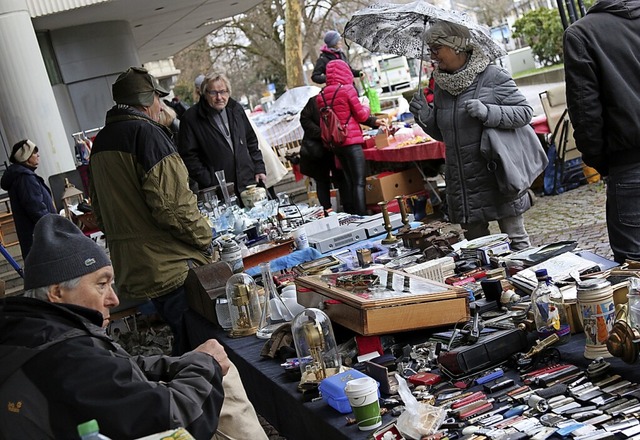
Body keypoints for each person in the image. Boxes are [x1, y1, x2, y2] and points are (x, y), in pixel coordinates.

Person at [0, 214, 267, 440]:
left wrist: (189, 362)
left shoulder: (32, 333)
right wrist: (206, 365)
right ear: (57, 292)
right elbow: (169, 422)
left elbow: (121, 367)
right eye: (101, 284)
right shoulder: (66, 358)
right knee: (223, 377)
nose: (113, 299)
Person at [89, 66, 212, 354]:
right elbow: (174, 207)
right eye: (158, 98)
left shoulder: (101, 143)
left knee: (179, 355)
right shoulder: (147, 135)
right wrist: (206, 239)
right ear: (146, 100)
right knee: (200, 354)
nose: (161, 105)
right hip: (169, 267)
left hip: (136, 269)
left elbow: (100, 212)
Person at [409, 21, 533, 250]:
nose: (433, 56)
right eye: (430, 50)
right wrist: (424, 117)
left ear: (455, 46)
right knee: (477, 250)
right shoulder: (441, 85)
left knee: (517, 243)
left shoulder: (493, 76)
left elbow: (524, 113)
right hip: (463, 182)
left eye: (436, 49)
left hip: (496, 175)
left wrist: (488, 112)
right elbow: (446, 134)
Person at [563, 0, 640, 263]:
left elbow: (585, 113)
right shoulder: (582, 34)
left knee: (635, 274)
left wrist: (601, 162)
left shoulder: (582, 33)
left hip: (629, 165)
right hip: (628, 163)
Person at [178, 72, 267, 201]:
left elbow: (251, 140)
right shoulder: (191, 118)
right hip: (219, 191)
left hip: (248, 183)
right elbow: (188, 157)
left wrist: (259, 168)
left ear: (228, 92)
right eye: (213, 93)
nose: (219, 97)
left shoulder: (236, 109)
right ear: (204, 94)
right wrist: (210, 180)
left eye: (223, 92)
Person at [317, 59, 385, 215]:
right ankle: (362, 215)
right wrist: (366, 105)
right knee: (359, 182)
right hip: (352, 142)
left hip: (336, 143)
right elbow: (361, 115)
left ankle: (354, 214)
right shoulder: (347, 90)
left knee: (349, 180)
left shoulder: (321, 95)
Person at [0, 139, 56, 257]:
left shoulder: (22, 176)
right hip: (41, 239)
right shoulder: (25, 178)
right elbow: (36, 208)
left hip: (37, 238)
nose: (38, 155)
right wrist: (53, 227)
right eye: (34, 153)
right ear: (25, 157)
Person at [299, 95, 349, 212]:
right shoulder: (315, 100)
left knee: (340, 178)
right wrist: (322, 133)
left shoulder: (337, 96)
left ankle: (346, 208)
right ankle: (328, 210)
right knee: (323, 181)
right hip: (319, 149)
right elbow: (304, 119)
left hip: (333, 146)